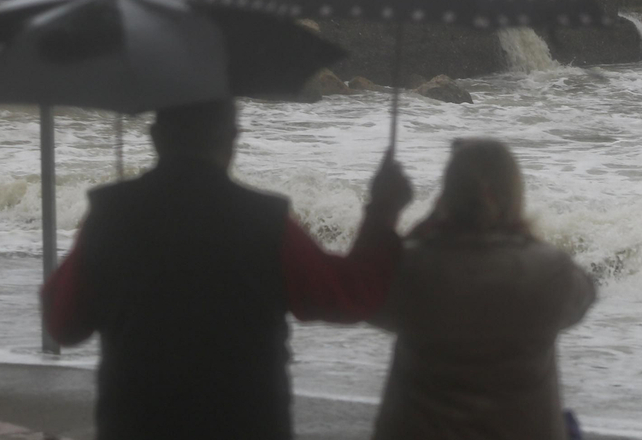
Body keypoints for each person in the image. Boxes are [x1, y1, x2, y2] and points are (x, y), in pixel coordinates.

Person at [41, 98, 413, 440]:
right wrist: (382, 211)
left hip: (136, 423)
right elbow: (348, 297)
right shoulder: (265, 221)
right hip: (245, 423)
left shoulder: (110, 216)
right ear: (232, 138)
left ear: (155, 136)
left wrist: (95, 236)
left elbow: (64, 325)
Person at [372, 138, 595, 440]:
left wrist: (422, 221)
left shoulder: (409, 268)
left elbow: (365, 297)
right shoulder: (550, 273)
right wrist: (519, 230)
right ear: (514, 194)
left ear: (446, 196)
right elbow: (586, 294)